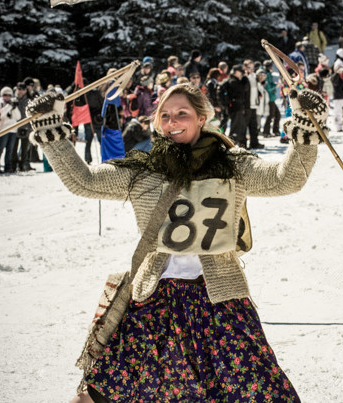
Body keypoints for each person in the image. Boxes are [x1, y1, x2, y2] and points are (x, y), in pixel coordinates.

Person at [25, 81, 327, 403]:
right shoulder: (144, 170)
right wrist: (51, 130)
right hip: (155, 300)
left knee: (258, 391)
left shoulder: (233, 165)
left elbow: (287, 178)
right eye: (165, 115)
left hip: (221, 301)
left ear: (201, 118)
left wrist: (304, 130)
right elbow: (82, 181)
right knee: (100, 392)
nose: (172, 122)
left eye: (182, 113)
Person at [0, 86, 21, 173]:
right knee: (0, 148)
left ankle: (8, 167)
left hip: (12, 129)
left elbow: (18, 117)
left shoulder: (12, 104)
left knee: (10, 150)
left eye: (9, 95)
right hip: (3, 129)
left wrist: (14, 108)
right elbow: (0, 114)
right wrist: (9, 106)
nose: (7, 97)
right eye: (5, 95)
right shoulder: (0, 103)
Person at [262, 60, 281, 137]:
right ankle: (266, 132)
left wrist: (275, 84)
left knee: (277, 114)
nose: (273, 67)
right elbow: (268, 87)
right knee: (270, 115)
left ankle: (275, 130)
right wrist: (275, 86)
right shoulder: (266, 74)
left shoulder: (269, 73)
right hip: (269, 98)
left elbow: (270, 84)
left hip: (272, 98)